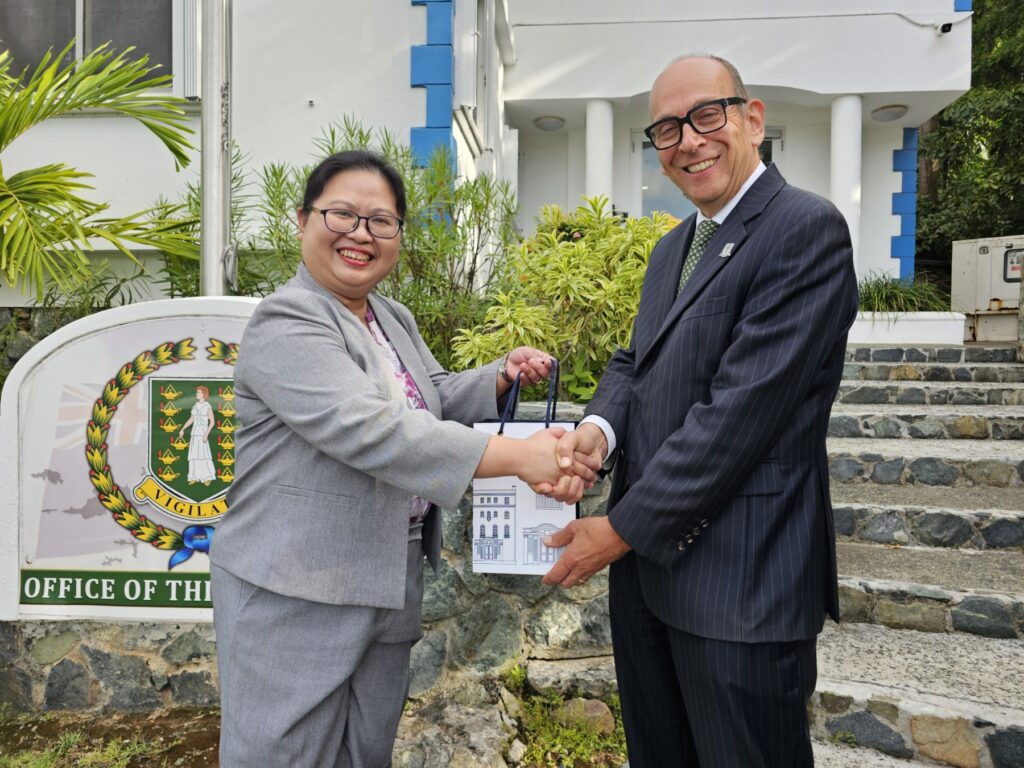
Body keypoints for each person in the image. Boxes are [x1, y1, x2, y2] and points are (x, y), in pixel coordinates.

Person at [210, 150, 596, 768]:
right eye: (342, 214)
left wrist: (498, 378)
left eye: (380, 221)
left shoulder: (389, 315)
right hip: (297, 588)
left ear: (397, 236)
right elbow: (370, 429)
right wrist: (518, 457)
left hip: (386, 575)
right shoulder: (288, 320)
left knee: (365, 752)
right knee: (280, 756)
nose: (360, 234)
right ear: (303, 219)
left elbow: (430, 396)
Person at [536, 55, 858, 767]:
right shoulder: (672, 248)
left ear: (752, 118)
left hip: (743, 585)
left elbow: (738, 416)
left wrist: (617, 530)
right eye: (666, 129)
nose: (687, 141)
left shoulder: (805, 229)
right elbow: (635, 363)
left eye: (705, 116)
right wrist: (597, 430)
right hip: (651, 587)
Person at [177, 385, 216, 485]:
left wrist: (206, 434)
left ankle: (207, 477)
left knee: (203, 455)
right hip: (194, 433)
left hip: (203, 433)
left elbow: (212, 422)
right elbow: (192, 419)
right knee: (194, 455)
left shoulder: (207, 406)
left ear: (203, 394)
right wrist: (183, 429)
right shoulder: (196, 405)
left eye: (198, 393)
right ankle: (194, 476)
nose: (196, 394)